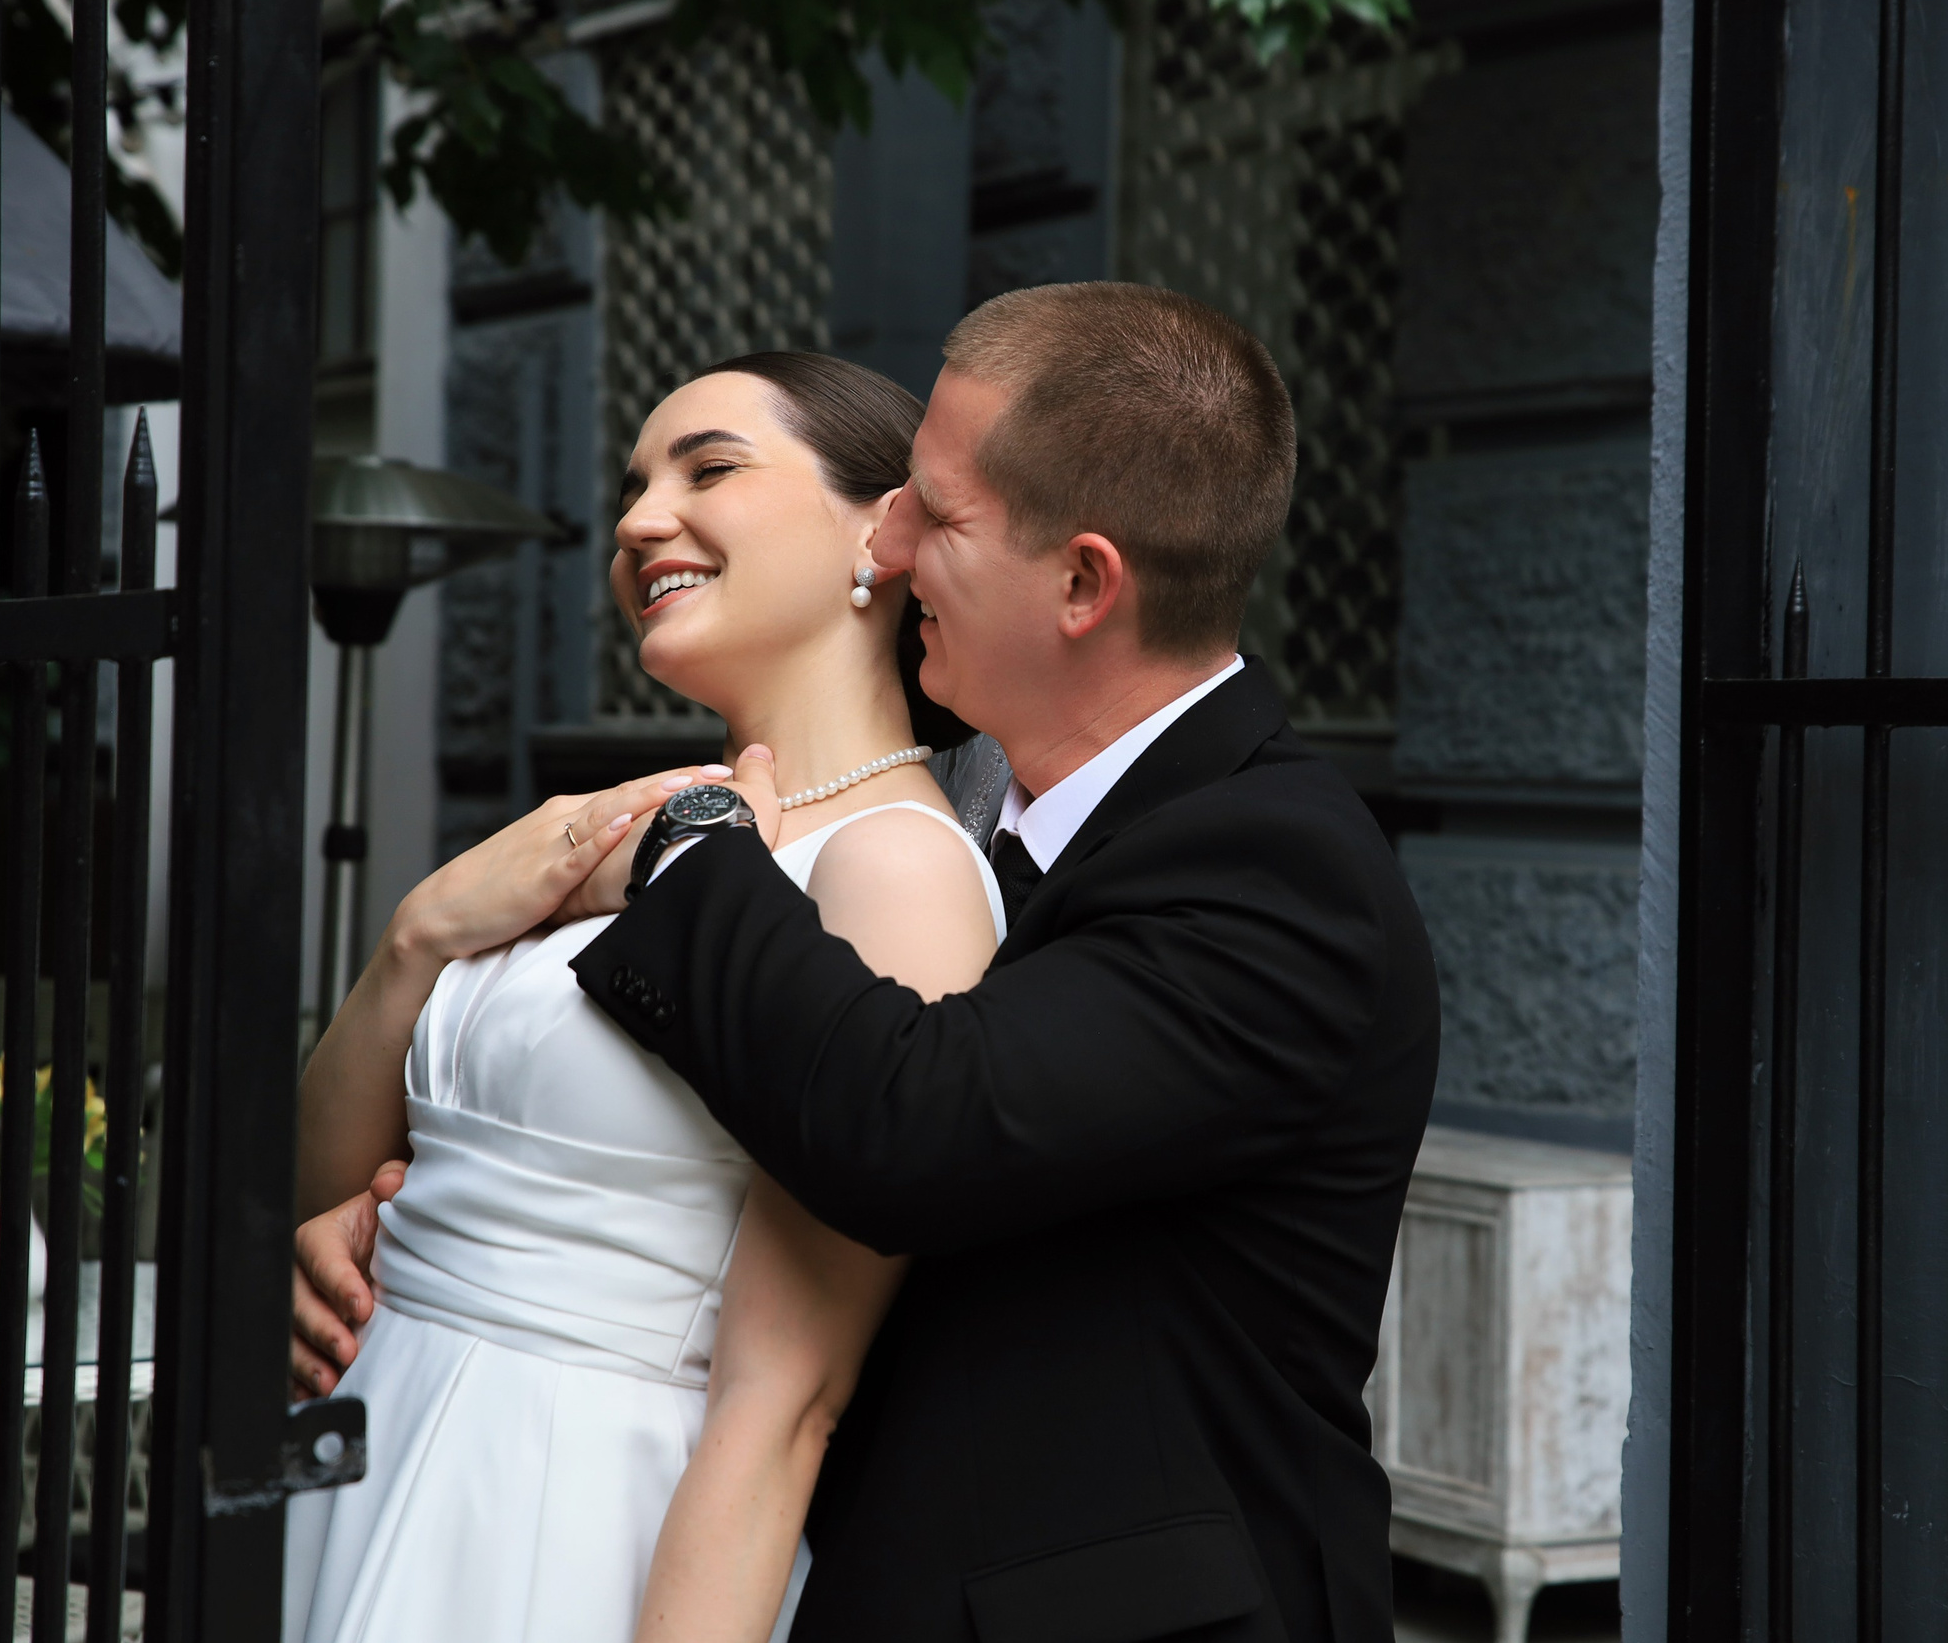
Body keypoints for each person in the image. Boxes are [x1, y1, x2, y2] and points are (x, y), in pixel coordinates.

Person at [584, 282, 1441, 1638]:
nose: (894, 540)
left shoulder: (1280, 867)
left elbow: (913, 1124)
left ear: (1086, 582)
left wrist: (694, 843)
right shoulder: (1003, 821)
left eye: (936, 507)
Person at [282, 353, 1002, 1643]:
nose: (634, 522)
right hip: (369, 1444)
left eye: (708, 468)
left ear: (881, 529)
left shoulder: (892, 867)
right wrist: (416, 937)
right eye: (632, 485)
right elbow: (315, 1178)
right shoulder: (626, 829)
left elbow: (788, 1396)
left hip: (569, 1511)